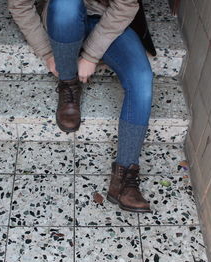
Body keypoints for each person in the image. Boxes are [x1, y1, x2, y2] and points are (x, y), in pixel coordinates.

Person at [8, 0, 155, 213]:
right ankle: (68, 83)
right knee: (66, 4)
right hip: (63, 24)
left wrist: (90, 55)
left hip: (108, 24)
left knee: (142, 79)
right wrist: (48, 53)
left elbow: (127, 5)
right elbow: (19, 4)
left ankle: (123, 178)